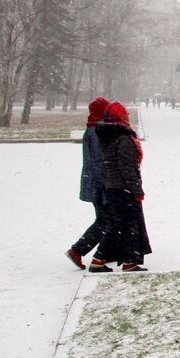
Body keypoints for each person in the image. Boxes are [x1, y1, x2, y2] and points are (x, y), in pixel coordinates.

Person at [91, 102, 151, 272]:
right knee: (129, 225)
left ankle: (100, 259)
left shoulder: (109, 136)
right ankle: (129, 261)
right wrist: (137, 190)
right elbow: (127, 168)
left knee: (118, 225)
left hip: (114, 185)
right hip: (123, 187)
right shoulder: (123, 138)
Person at [65, 97, 112, 269]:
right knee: (106, 219)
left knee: (106, 218)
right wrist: (109, 183)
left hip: (94, 183)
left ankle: (106, 253)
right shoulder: (97, 131)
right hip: (100, 185)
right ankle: (78, 250)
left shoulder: (92, 129)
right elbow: (99, 162)